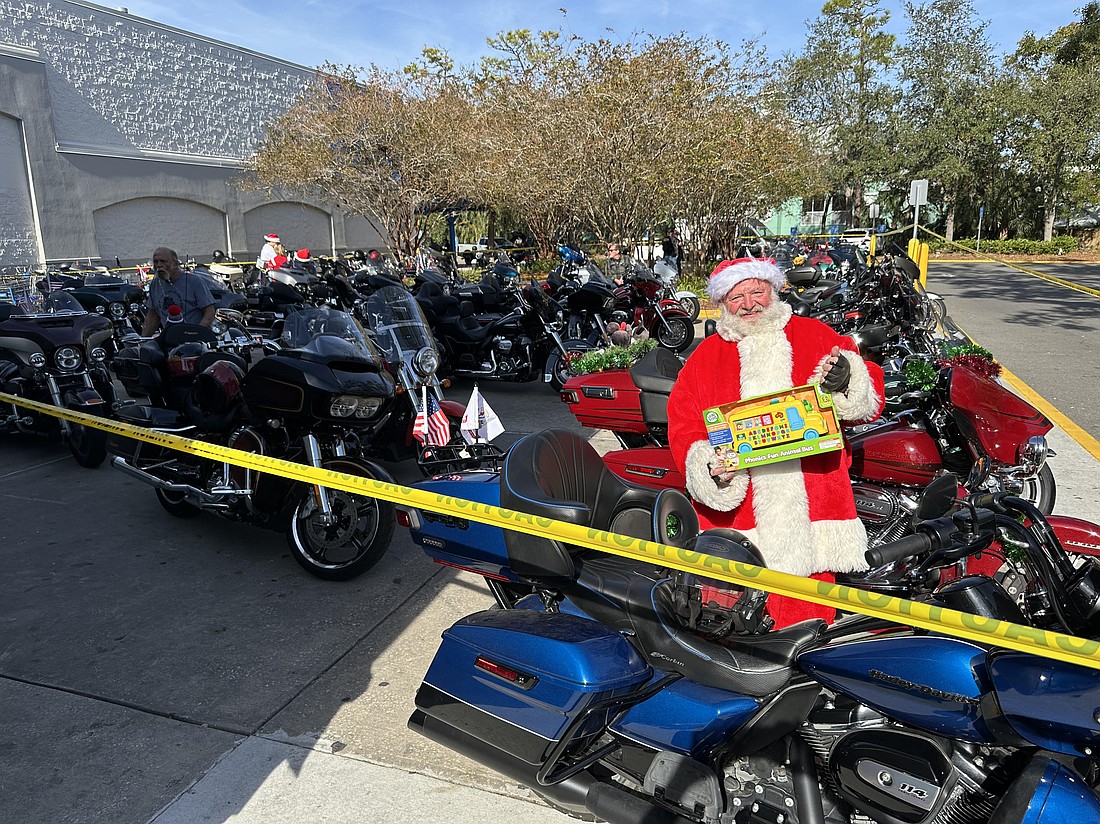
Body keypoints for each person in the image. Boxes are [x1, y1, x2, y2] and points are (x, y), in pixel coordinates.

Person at [666, 257, 885, 628]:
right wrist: (707, 466)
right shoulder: (704, 358)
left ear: (774, 290)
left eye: (756, 291)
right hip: (743, 512)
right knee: (733, 619)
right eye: (736, 297)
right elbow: (684, 423)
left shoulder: (816, 337)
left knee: (812, 622)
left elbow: (868, 396)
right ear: (722, 304)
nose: (749, 304)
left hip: (814, 503)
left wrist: (848, 378)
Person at [141, 247, 216, 335]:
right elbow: (153, 316)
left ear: (175, 264)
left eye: (163, 261)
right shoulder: (156, 283)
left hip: (195, 339)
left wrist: (197, 332)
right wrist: (144, 340)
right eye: (156, 262)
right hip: (171, 338)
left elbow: (209, 312)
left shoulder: (193, 281)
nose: (159, 265)